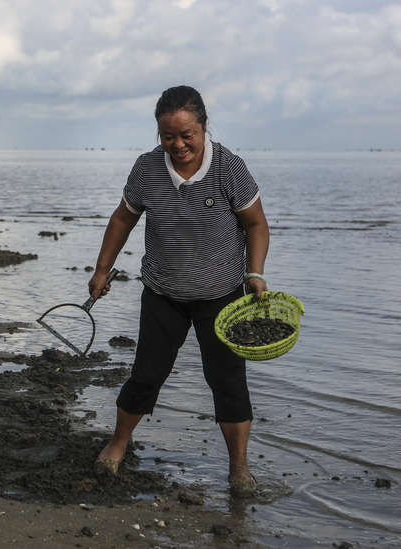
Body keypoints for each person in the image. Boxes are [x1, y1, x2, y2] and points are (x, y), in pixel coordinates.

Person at [88, 85, 269, 497]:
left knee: (227, 382)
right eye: (168, 136)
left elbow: (256, 224)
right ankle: (117, 446)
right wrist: (103, 269)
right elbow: (122, 219)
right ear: (158, 134)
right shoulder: (147, 169)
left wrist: (255, 273)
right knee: (146, 375)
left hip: (222, 297)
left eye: (188, 134)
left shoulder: (229, 168)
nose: (179, 144)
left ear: (204, 127)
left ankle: (238, 470)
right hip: (163, 293)